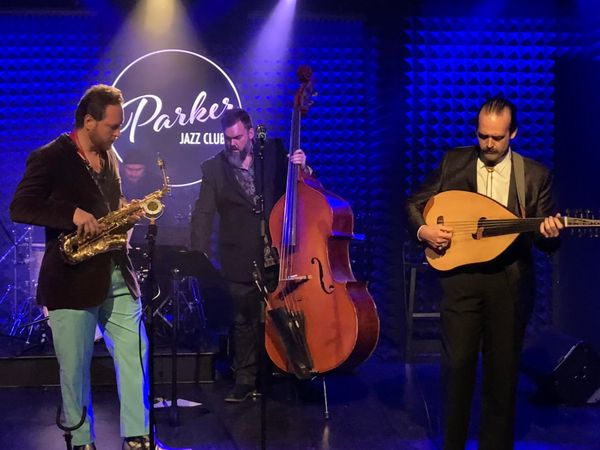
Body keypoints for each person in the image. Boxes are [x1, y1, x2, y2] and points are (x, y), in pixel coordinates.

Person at [405, 96, 563, 450]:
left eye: (497, 137)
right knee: (457, 369)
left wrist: (550, 234)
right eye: (482, 136)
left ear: (513, 133)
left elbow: (545, 243)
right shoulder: (454, 162)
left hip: (509, 283)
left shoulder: (534, 176)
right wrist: (423, 230)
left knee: (501, 375)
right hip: (461, 281)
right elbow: (413, 203)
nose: (489, 144)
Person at [10, 84, 151, 450]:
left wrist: (125, 213)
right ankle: (81, 440)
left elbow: (108, 204)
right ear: (89, 121)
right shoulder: (49, 157)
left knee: (136, 351)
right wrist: (71, 214)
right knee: (74, 368)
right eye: (112, 127)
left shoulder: (110, 155)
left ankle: (138, 436)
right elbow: (20, 207)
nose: (118, 134)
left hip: (116, 270)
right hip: (70, 279)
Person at [190, 108, 308, 402]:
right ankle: (245, 379)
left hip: (279, 251)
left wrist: (303, 169)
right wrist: (198, 255)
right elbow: (203, 213)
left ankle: (293, 370)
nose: (233, 144)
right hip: (238, 254)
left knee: (285, 315)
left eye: (238, 137)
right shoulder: (213, 169)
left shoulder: (274, 153)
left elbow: (300, 191)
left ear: (251, 133)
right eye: (228, 138)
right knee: (243, 320)